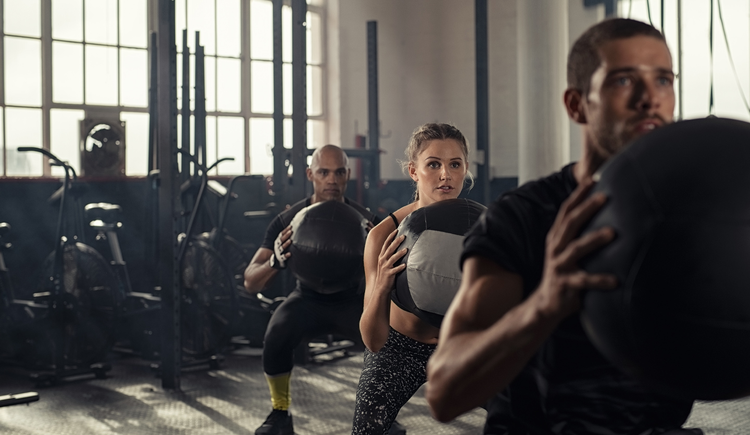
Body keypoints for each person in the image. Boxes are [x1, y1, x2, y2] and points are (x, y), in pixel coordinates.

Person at [426, 19, 704, 434]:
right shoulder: (522, 216)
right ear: (577, 105)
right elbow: (445, 394)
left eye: (663, 80)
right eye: (624, 80)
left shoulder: (690, 212)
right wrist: (545, 303)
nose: (650, 99)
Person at [244, 144, 380, 435]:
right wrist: (274, 261)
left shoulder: (366, 221)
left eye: (339, 172)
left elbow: (394, 276)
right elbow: (250, 280)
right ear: (310, 174)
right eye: (324, 172)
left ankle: (382, 415)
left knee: (386, 342)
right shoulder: (287, 221)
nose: (332, 179)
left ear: (347, 175)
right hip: (306, 299)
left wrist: (376, 252)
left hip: (351, 300)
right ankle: (280, 414)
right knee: (276, 335)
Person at [352, 123, 472, 435]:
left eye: (454, 164)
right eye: (433, 164)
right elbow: (373, 340)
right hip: (400, 347)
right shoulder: (383, 237)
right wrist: (381, 286)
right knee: (367, 425)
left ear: (465, 169)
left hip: (462, 346)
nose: (445, 175)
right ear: (414, 171)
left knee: (530, 407)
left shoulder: (484, 228)